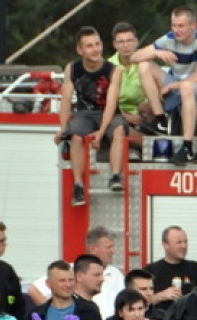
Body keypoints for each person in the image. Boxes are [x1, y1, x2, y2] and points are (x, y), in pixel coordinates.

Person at [133, 6, 197, 166]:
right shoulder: (169, 38)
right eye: (174, 25)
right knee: (144, 65)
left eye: (181, 26)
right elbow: (134, 56)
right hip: (180, 87)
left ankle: (187, 148)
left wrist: (173, 86)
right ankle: (160, 120)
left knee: (187, 87)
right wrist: (157, 53)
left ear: (193, 26)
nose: (176, 30)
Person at [55, 26, 127, 206]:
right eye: (89, 46)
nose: (95, 49)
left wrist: (101, 133)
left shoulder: (114, 70)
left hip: (108, 113)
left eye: (97, 44)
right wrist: (63, 129)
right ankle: (78, 186)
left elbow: (111, 103)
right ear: (80, 50)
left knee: (118, 129)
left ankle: (115, 176)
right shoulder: (72, 68)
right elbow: (65, 100)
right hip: (84, 113)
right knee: (76, 136)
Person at [28, 227, 124, 317]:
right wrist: (57, 315)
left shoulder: (116, 274)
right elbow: (34, 290)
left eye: (113, 247)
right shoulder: (69, 270)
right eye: (109, 247)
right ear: (94, 249)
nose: (113, 251)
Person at [146, 226, 197, 312]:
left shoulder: (195, 268)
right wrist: (161, 296)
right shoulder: (151, 271)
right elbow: (140, 303)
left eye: (185, 242)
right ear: (165, 245)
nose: (184, 246)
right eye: (179, 242)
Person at [109, 22, 150, 134]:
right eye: (121, 42)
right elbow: (105, 102)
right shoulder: (108, 66)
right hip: (116, 114)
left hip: (142, 113)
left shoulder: (146, 64)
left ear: (136, 42)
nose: (125, 45)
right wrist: (126, 116)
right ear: (115, 44)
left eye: (129, 40)